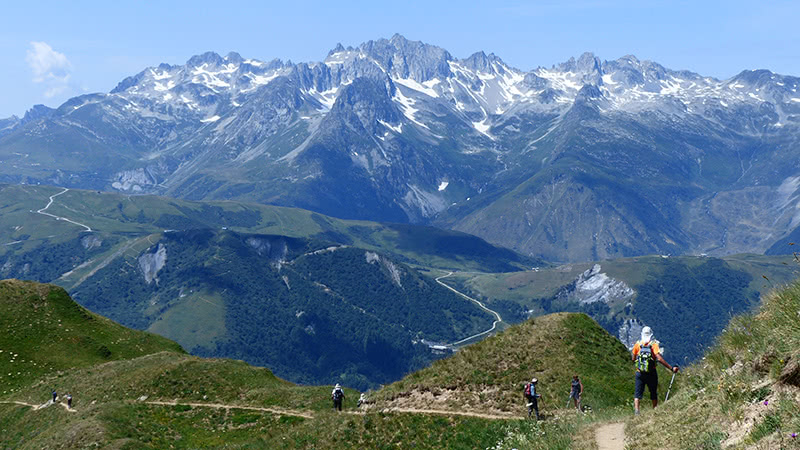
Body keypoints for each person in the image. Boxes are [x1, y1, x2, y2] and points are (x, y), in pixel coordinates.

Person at [632, 326, 678, 415]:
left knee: (638, 393)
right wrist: (671, 368)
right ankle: (655, 410)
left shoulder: (638, 344)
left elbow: (633, 358)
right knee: (653, 392)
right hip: (651, 372)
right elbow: (659, 358)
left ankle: (637, 411)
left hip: (640, 372)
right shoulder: (653, 345)